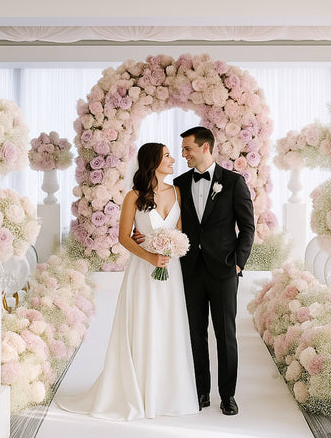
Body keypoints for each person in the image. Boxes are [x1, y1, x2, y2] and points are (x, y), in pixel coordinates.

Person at [57, 143, 198, 420]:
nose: (172, 160)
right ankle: (139, 391)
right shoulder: (133, 197)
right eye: (167, 156)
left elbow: (180, 232)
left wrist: (169, 247)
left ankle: (167, 394)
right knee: (145, 324)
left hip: (172, 271)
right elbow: (124, 237)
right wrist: (149, 255)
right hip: (144, 271)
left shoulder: (177, 192)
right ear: (152, 162)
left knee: (169, 325)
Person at [174, 126, 255, 416]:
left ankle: (228, 395)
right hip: (191, 271)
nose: (183, 154)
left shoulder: (233, 182)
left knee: (226, 335)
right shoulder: (179, 183)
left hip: (224, 271)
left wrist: (237, 263)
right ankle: (200, 392)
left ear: (205, 148)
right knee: (195, 334)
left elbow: (247, 227)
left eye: (188, 149)